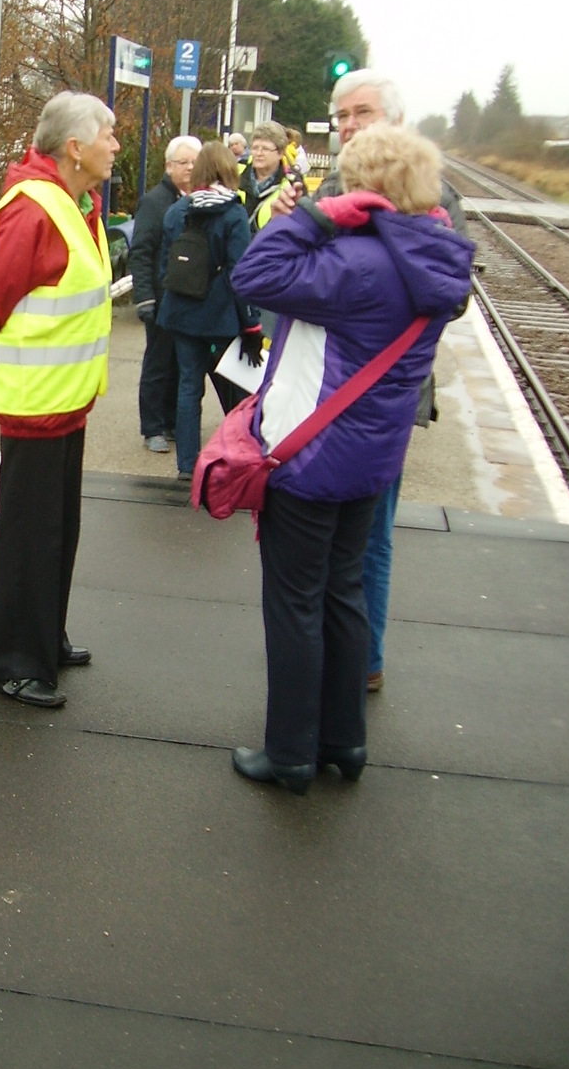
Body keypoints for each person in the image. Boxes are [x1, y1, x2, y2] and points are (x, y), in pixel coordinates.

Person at [228, 124, 475, 793]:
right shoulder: (434, 264)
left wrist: (311, 215)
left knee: (294, 604)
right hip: (372, 459)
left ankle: (290, 756)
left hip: (312, 460)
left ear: (364, 191)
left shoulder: (356, 266)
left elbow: (252, 275)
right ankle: (345, 741)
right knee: (343, 593)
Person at [271, 70, 470, 691]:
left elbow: (450, 294)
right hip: (317, 387)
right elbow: (280, 279)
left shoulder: (434, 193)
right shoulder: (326, 184)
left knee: (366, 540)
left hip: (378, 393)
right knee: (318, 543)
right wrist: (286, 221)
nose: (350, 124)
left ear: (395, 120)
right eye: (342, 115)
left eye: (363, 112)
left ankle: (364, 660)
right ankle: (322, 649)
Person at [0, 91, 118, 709]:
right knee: (30, 535)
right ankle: (14, 662)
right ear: (75, 147)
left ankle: (44, 636)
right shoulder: (35, 210)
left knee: (58, 528)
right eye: (109, 133)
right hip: (35, 404)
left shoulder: (71, 203)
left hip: (64, 401)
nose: (116, 144)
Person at [157, 142, 262, 480]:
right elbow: (240, 274)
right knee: (235, 390)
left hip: (181, 314)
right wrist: (252, 327)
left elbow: (165, 265)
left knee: (189, 386)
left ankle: (187, 466)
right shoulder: (233, 214)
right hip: (220, 319)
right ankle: (238, 457)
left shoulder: (178, 211)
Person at [130, 133, 202, 452]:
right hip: (160, 299)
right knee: (158, 364)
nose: (189, 168)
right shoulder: (154, 202)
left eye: (194, 163)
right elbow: (142, 251)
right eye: (182, 162)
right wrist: (145, 297)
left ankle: (173, 421)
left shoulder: (202, 200)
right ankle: (153, 426)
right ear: (168, 165)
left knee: (182, 364)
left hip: (189, 301)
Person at [243, 121, 289, 233]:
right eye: (255, 148)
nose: (259, 153)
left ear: (281, 153)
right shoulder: (235, 175)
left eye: (265, 149)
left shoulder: (292, 184)